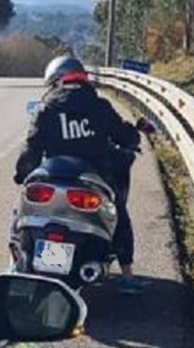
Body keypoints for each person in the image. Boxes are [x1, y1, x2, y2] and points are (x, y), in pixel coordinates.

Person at [13, 55, 145, 294]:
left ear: (55, 80)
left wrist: (22, 173)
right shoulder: (100, 106)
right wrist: (133, 137)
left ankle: (16, 260)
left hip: (55, 181)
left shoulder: (46, 108)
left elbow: (31, 148)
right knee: (119, 214)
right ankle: (127, 275)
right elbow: (125, 137)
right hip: (93, 181)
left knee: (22, 209)